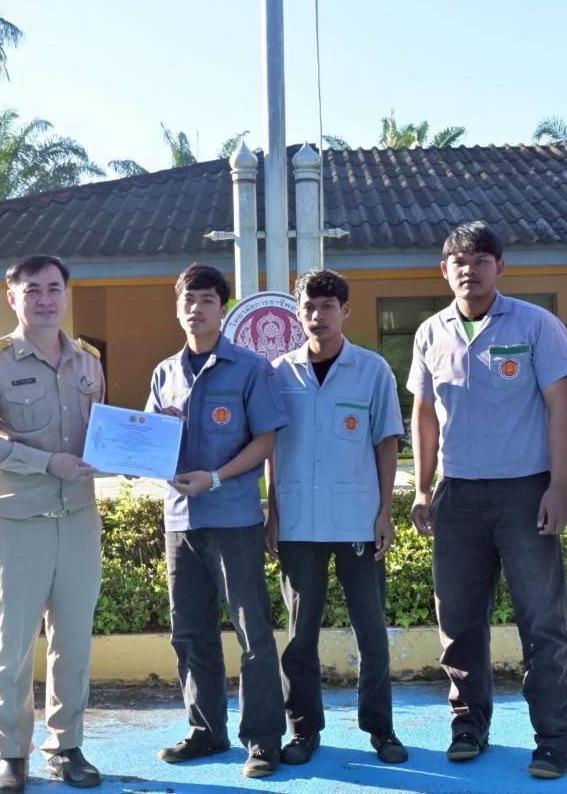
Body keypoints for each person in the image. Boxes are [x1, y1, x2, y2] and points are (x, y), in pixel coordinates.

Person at [407, 222, 567, 780]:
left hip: (525, 492)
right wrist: (423, 487)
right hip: (457, 495)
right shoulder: (430, 332)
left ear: (500, 267)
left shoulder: (536, 325)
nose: (470, 270)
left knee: (541, 622)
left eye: (482, 260)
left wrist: (558, 486)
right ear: (444, 270)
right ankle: (468, 725)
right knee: (458, 621)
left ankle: (554, 738)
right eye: (459, 261)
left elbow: (560, 406)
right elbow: (424, 415)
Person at [0, 254, 106, 793]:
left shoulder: (88, 361)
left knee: (74, 643)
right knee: (14, 645)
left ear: (66, 294)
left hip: (79, 519)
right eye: (32, 290)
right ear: (12, 297)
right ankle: (11, 755)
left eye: (53, 288)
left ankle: (66, 746)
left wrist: (126, 452)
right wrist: (46, 463)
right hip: (20, 520)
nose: (45, 299)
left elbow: (98, 432)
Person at [146, 263, 289, 779]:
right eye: (188, 299)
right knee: (189, 632)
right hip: (180, 521)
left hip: (233, 519)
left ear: (222, 309)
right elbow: (149, 441)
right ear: (177, 307)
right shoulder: (165, 372)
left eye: (207, 299)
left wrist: (215, 478)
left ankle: (263, 739)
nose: (196, 308)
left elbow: (265, 441)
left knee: (253, 632)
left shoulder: (251, 369)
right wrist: (153, 435)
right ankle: (206, 730)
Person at [265, 268, 409, 766]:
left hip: (357, 519)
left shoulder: (372, 370)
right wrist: (273, 513)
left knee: (370, 631)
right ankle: (303, 730)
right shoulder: (279, 373)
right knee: (300, 635)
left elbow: (386, 443)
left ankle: (381, 729)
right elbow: (270, 448)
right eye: (309, 306)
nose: (317, 315)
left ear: (345, 311)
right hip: (298, 522)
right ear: (297, 311)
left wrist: (385, 512)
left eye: (328, 306)